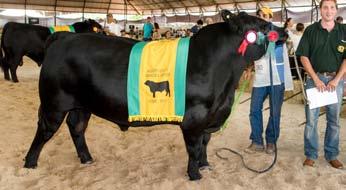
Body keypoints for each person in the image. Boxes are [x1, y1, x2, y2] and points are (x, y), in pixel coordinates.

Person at [296, 0, 346, 169]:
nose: (329, 10)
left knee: (334, 121)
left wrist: (337, 79)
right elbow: (303, 56)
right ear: (320, 9)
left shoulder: (344, 30)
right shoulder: (311, 30)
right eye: (325, 7)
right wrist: (316, 79)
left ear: (336, 10)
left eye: (332, 7)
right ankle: (311, 154)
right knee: (311, 120)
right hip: (314, 81)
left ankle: (331, 154)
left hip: (335, 83)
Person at [244, 6, 293, 154]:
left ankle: (271, 141)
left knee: (275, 112)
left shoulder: (277, 31)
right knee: (254, 110)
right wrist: (248, 68)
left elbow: (284, 37)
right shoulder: (253, 34)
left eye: (266, 15)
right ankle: (257, 141)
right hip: (260, 78)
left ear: (271, 17)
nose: (263, 17)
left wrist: (275, 36)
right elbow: (250, 53)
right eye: (260, 15)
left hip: (276, 79)